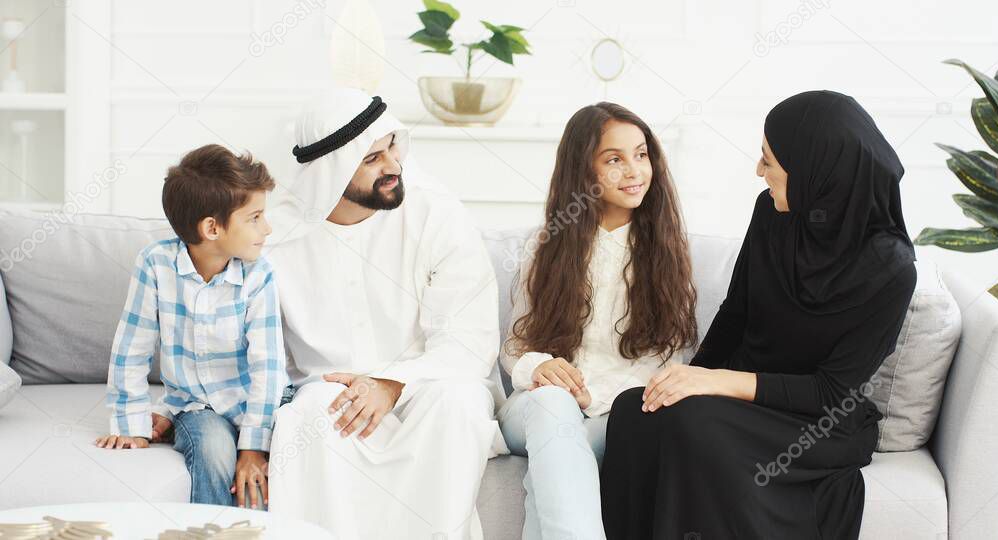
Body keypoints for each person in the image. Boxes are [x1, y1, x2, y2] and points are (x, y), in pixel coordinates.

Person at [599, 90, 918, 539]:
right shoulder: (771, 211)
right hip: (747, 399)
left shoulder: (891, 268)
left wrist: (715, 384)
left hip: (819, 418)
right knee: (635, 410)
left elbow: (832, 391)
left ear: (815, 168)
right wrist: (690, 379)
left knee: (695, 424)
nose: (758, 171)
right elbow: (736, 312)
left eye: (769, 160)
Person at [265, 88, 504, 539]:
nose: (394, 165)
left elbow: (469, 339)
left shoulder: (436, 212)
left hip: (429, 386)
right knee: (311, 416)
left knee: (460, 404)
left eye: (392, 147)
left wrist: (394, 383)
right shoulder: (276, 237)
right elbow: (252, 348)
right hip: (329, 391)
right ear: (330, 172)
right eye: (372, 158)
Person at [499, 102, 699, 539]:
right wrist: (541, 367)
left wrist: (594, 398)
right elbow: (515, 346)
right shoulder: (547, 245)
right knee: (555, 407)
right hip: (538, 404)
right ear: (583, 172)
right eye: (614, 159)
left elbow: (671, 361)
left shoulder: (669, 251)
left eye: (641, 154)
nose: (634, 170)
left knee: (556, 468)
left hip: (621, 417)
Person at [97, 144, 289, 509]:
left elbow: (268, 366)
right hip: (197, 407)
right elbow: (131, 348)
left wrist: (252, 447)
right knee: (215, 451)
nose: (267, 228)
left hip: (258, 403)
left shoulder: (259, 274)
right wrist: (131, 425)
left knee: (278, 462)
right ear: (212, 228)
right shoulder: (156, 264)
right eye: (255, 217)